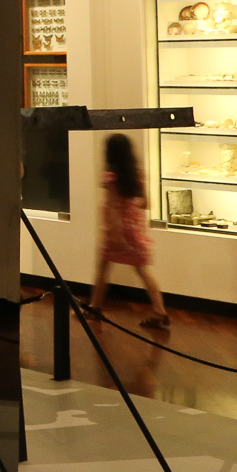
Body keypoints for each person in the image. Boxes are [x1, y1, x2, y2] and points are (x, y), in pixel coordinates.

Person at [89, 134, 169, 328]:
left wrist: (114, 233)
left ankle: (95, 307)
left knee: (103, 267)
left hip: (118, 230)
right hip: (134, 228)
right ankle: (159, 310)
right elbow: (145, 203)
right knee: (142, 269)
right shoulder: (136, 175)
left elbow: (114, 208)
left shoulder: (110, 177)